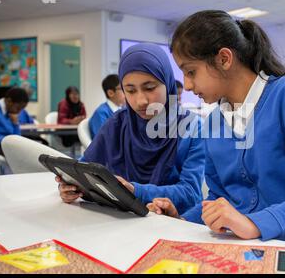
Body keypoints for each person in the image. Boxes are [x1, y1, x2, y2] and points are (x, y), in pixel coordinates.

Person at [148, 10, 285, 248]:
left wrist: (254, 223)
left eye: (191, 72)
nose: (187, 85)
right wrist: (181, 220)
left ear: (224, 59)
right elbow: (218, 199)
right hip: (240, 248)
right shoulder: (212, 122)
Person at [56, 43, 205, 214]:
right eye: (130, 90)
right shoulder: (117, 123)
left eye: (150, 88)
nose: (141, 101)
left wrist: (135, 191)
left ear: (168, 82)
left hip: (173, 223)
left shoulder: (193, 127)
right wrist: (72, 187)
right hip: (117, 221)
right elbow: (84, 169)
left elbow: (191, 194)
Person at [0, 87, 29, 156]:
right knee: (24, 155)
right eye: (18, 108)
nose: (19, 112)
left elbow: (17, 138)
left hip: (7, 145)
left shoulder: (11, 113)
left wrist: (15, 124)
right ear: (9, 101)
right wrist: (9, 141)